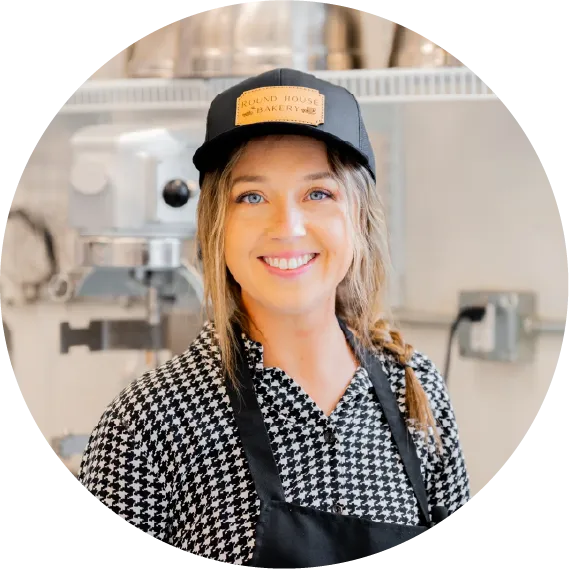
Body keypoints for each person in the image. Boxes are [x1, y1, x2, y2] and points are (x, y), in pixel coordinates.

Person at [78, 68, 471, 568]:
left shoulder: (414, 392)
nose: (287, 227)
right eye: (252, 197)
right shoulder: (148, 426)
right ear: (216, 225)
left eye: (318, 194)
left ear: (359, 219)